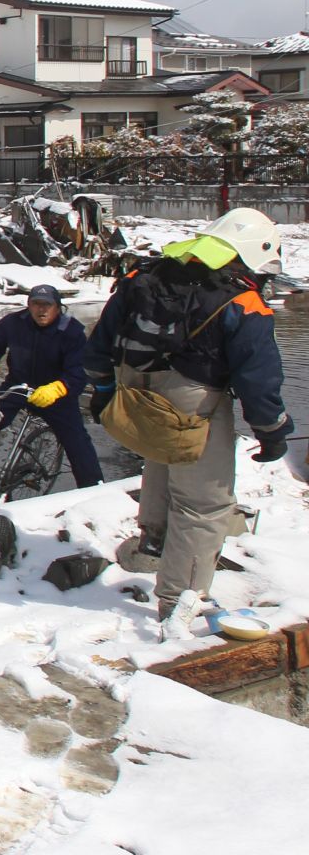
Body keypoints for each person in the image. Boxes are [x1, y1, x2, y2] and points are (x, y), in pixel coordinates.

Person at [85, 207, 294, 635]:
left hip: (136, 390)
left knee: (162, 458)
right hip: (192, 400)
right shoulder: (243, 300)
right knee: (204, 504)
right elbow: (258, 378)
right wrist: (271, 431)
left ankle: (155, 541)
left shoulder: (147, 275)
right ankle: (181, 599)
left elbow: (101, 342)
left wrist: (103, 388)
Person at [0, 283, 103, 489]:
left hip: (55, 394)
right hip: (18, 386)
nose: (42, 310)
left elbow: (80, 370)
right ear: (28, 305)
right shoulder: (15, 322)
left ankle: (93, 489)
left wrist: (58, 388)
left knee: (77, 441)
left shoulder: (71, 331)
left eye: (47, 305)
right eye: (36, 304)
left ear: (57, 307)